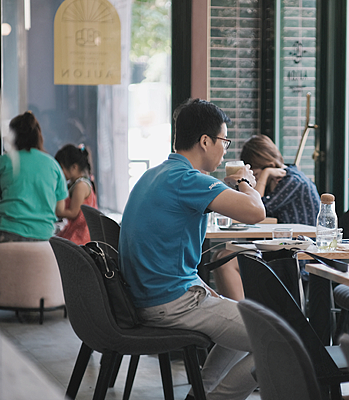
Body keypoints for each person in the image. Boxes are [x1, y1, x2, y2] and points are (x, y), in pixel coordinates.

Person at [119, 99, 265, 400]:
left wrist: (197, 284)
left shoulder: (155, 174)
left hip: (148, 296)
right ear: (205, 141)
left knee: (239, 314)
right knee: (276, 343)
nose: (225, 149)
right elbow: (255, 212)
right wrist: (245, 182)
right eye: (224, 140)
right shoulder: (188, 180)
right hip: (169, 303)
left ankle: (201, 393)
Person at [212, 134, 321, 300]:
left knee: (225, 260)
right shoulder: (282, 181)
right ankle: (241, 314)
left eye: (254, 172)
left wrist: (263, 175)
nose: (252, 177)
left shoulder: (292, 181)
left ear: (268, 165)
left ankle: (246, 320)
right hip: (280, 251)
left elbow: (255, 209)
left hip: (299, 260)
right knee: (220, 256)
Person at [0, 111, 68, 243]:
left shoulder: (5, 161)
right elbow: (60, 209)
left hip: (7, 234)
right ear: (38, 136)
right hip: (43, 237)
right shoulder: (53, 165)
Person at [55, 144, 98, 245]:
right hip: (74, 230)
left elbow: (73, 212)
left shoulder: (81, 185)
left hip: (81, 236)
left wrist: (55, 212)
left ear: (74, 167)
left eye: (61, 168)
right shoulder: (75, 184)